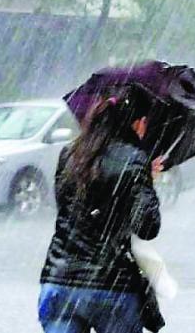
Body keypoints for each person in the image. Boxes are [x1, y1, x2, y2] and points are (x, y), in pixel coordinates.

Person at [39, 84, 164, 333]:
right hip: (111, 285)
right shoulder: (133, 160)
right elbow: (148, 226)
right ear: (138, 124)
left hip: (60, 281)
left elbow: (67, 206)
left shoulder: (70, 154)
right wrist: (146, 181)